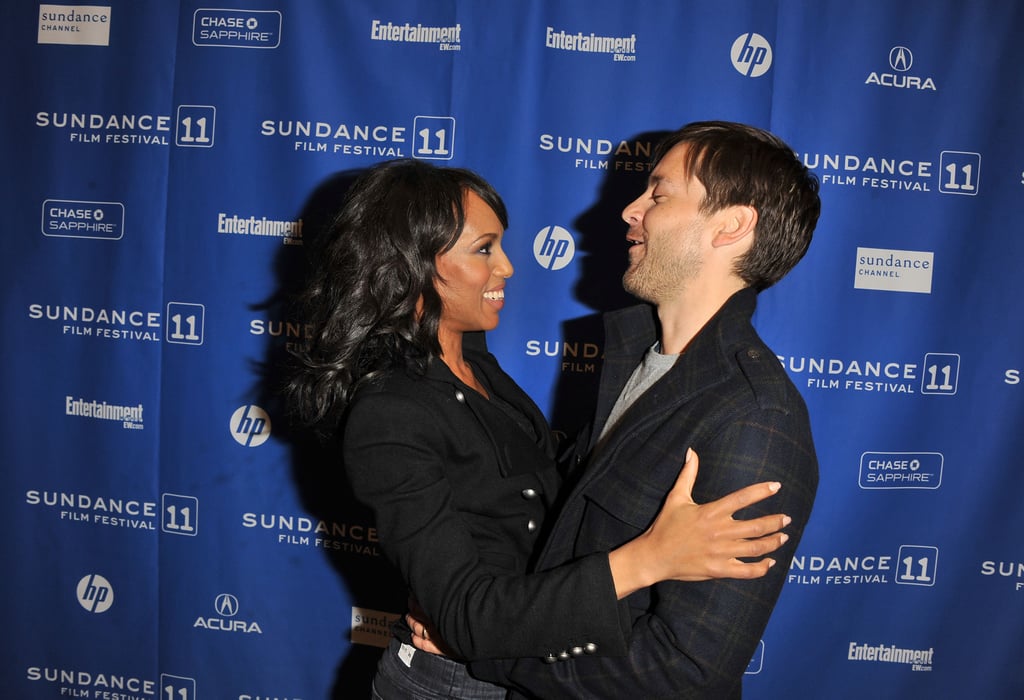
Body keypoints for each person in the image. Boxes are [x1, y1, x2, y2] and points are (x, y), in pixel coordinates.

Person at [286, 158, 793, 699]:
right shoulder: (391, 411)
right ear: (412, 265)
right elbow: (465, 617)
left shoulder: (475, 363)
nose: (506, 267)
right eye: (484, 249)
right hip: (449, 685)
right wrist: (650, 557)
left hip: (524, 666)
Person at [413, 121, 822, 698]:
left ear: (731, 226)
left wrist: (488, 649)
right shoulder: (641, 363)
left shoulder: (754, 420)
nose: (630, 211)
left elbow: (681, 674)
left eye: (658, 194)